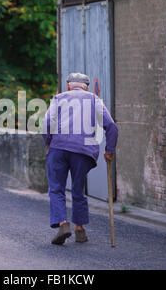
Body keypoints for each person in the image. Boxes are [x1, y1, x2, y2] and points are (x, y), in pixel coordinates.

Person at [42, 72, 118, 245]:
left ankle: (63, 224)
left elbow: (46, 123)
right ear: (87, 87)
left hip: (58, 148)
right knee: (78, 189)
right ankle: (79, 229)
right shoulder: (94, 100)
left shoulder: (58, 98)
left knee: (56, 188)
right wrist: (109, 150)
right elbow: (111, 126)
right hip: (83, 151)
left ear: (68, 85)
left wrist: (48, 142)